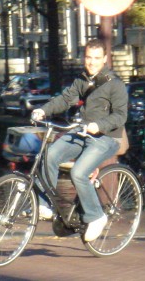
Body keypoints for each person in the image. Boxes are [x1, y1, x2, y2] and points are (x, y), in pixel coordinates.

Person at [31, 38, 128, 242]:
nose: (91, 62)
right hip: (82, 132)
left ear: (104, 59)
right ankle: (46, 204)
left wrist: (98, 125)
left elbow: (120, 116)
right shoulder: (82, 80)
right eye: (88, 58)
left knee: (79, 173)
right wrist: (43, 110)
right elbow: (65, 99)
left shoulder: (115, 85)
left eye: (96, 58)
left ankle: (96, 217)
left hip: (105, 138)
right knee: (50, 155)